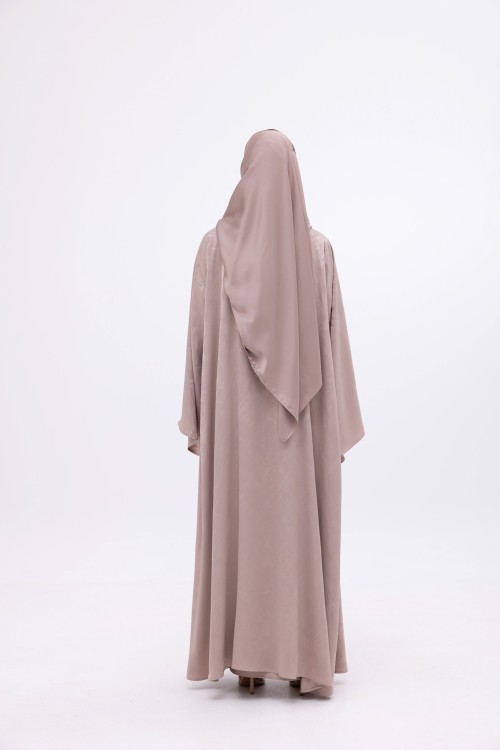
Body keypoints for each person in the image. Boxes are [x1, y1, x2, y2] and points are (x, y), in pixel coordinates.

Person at [178, 128, 365, 697]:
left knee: (239, 528)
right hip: (297, 437)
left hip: (236, 438)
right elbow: (335, 349)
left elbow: (198, 343)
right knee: (296, 530)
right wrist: (336, 422)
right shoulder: (317, 252)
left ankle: (246, 661)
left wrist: (198, 412)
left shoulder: (213, 251)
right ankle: (302, 657)